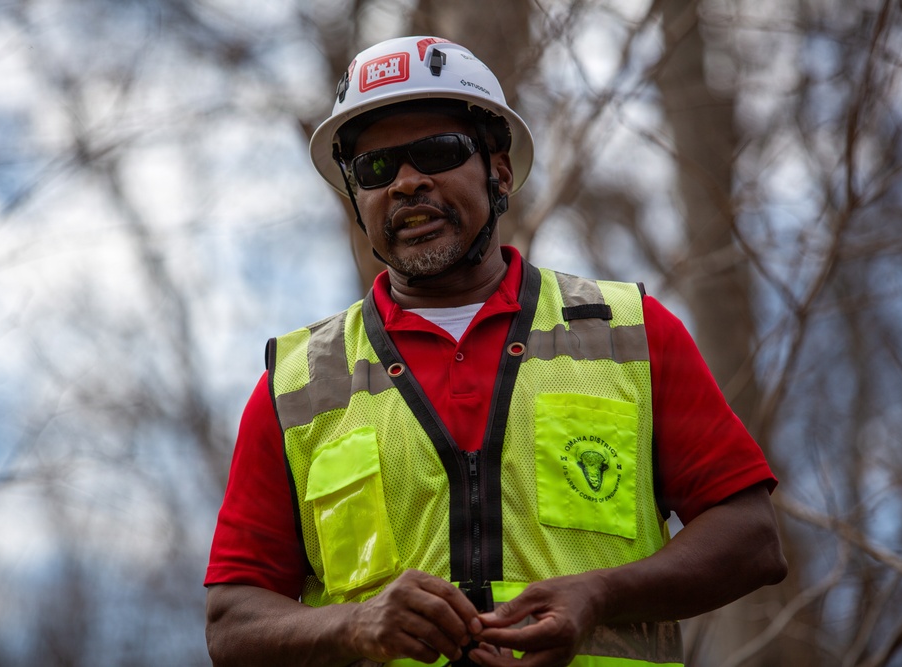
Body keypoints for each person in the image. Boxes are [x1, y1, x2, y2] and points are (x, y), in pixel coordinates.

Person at [204, 36, 787, 667]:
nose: (406, 182)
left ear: (499, 171)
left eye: (437, 152)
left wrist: (599, 594)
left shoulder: (631, 334)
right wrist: (355, 625)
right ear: (356, 198)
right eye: (375, 168)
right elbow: (232, 622)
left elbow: (752, 539)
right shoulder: (298, 386)